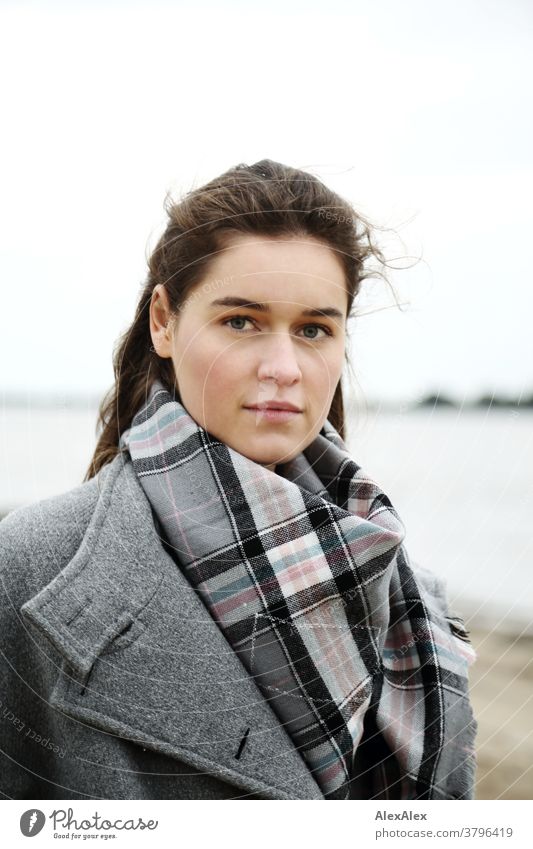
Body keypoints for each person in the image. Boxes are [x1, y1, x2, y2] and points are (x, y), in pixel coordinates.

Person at [0, 159, 478, 800]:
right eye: (241, 322)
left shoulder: (403, 586)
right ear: (164, 322)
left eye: (313, 329)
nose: (283, 367)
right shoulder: (32, 566)